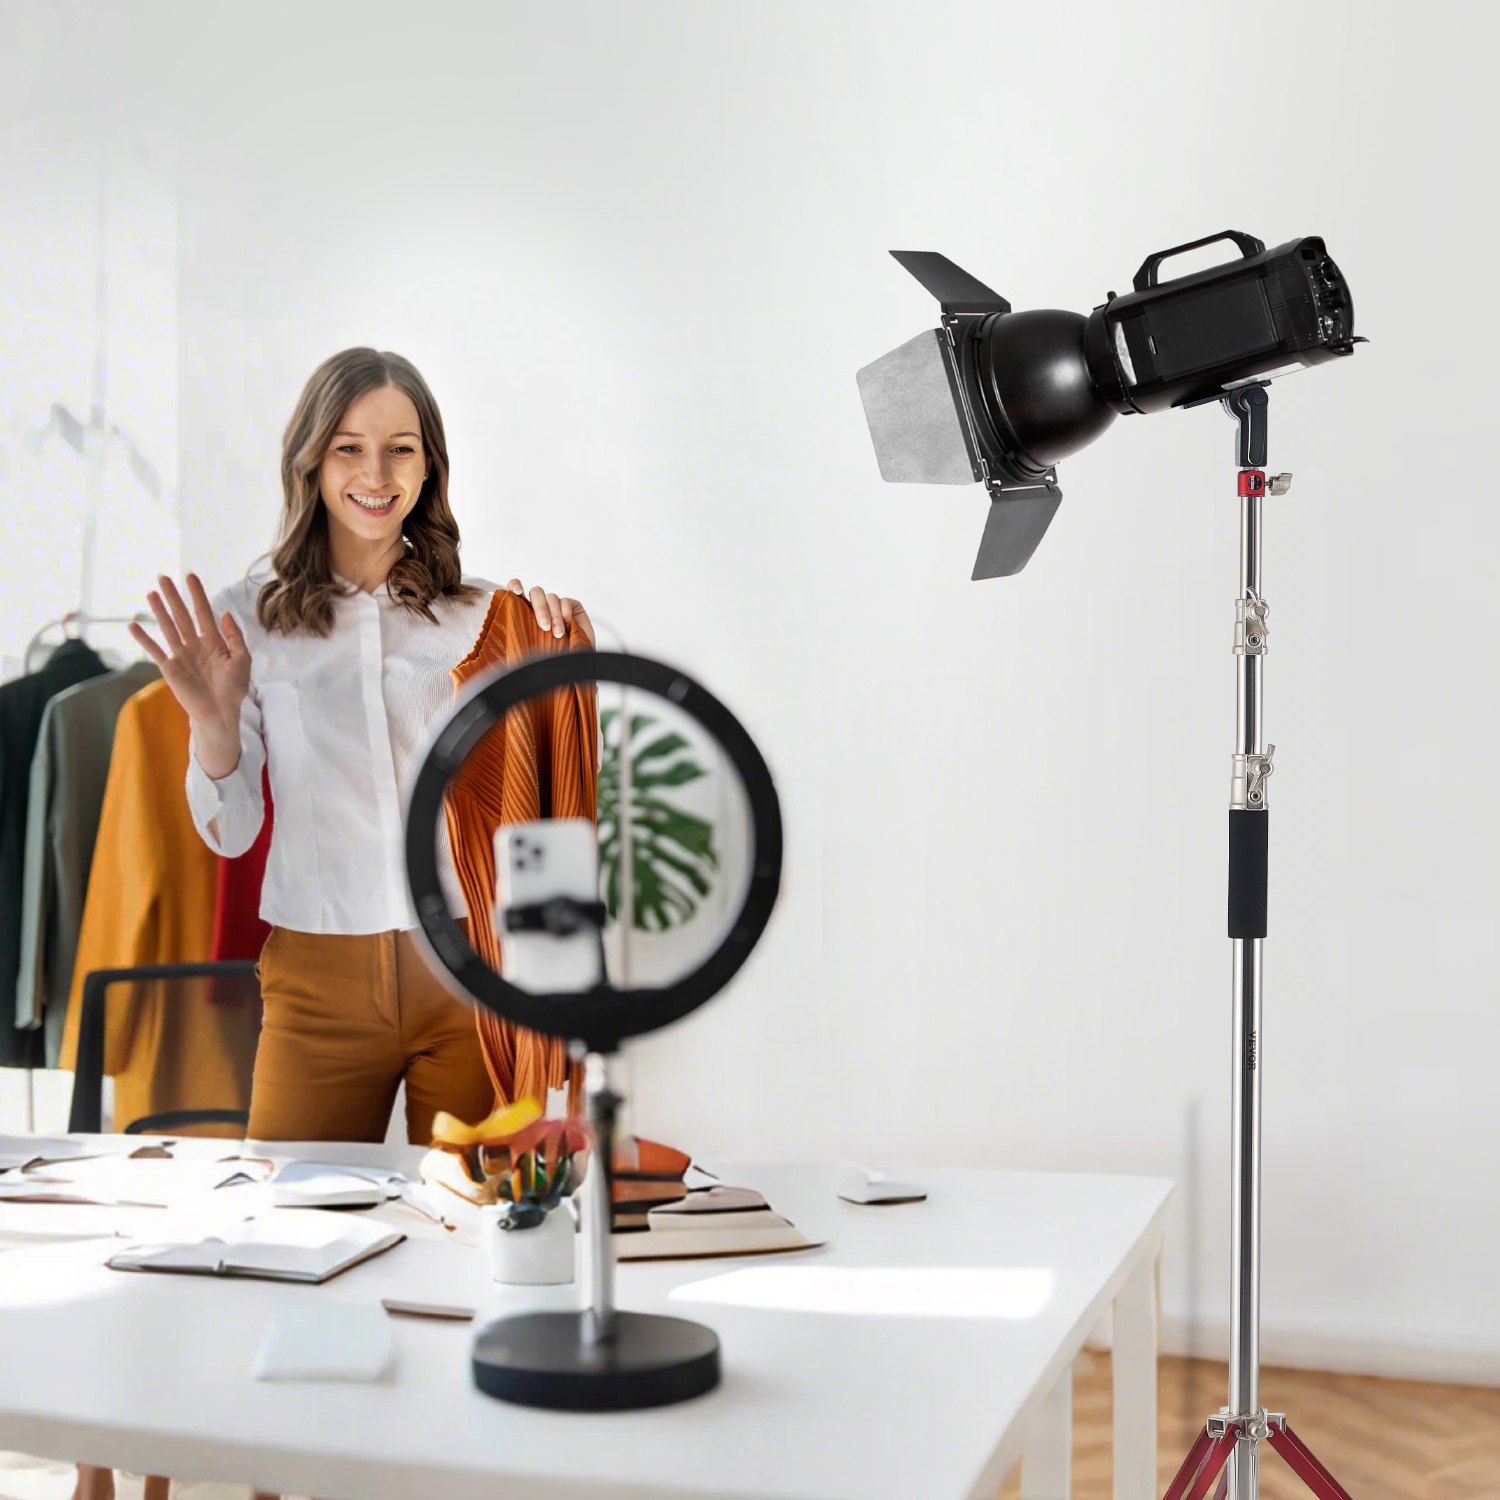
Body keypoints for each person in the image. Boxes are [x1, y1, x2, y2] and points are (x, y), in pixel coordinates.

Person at [70, 348, 593, 1500]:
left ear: (430, 465)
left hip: (465, 974)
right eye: (350, 446)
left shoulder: (482, 613)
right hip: (314, 978)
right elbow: (228, 822)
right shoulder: (243, 616)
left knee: (480, 1252)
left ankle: (455, 1470)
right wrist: (212, 722)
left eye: (400, 448)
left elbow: (529, 787)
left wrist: (552, 642)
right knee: (293, 1257)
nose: (375, 472)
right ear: (311, 460)